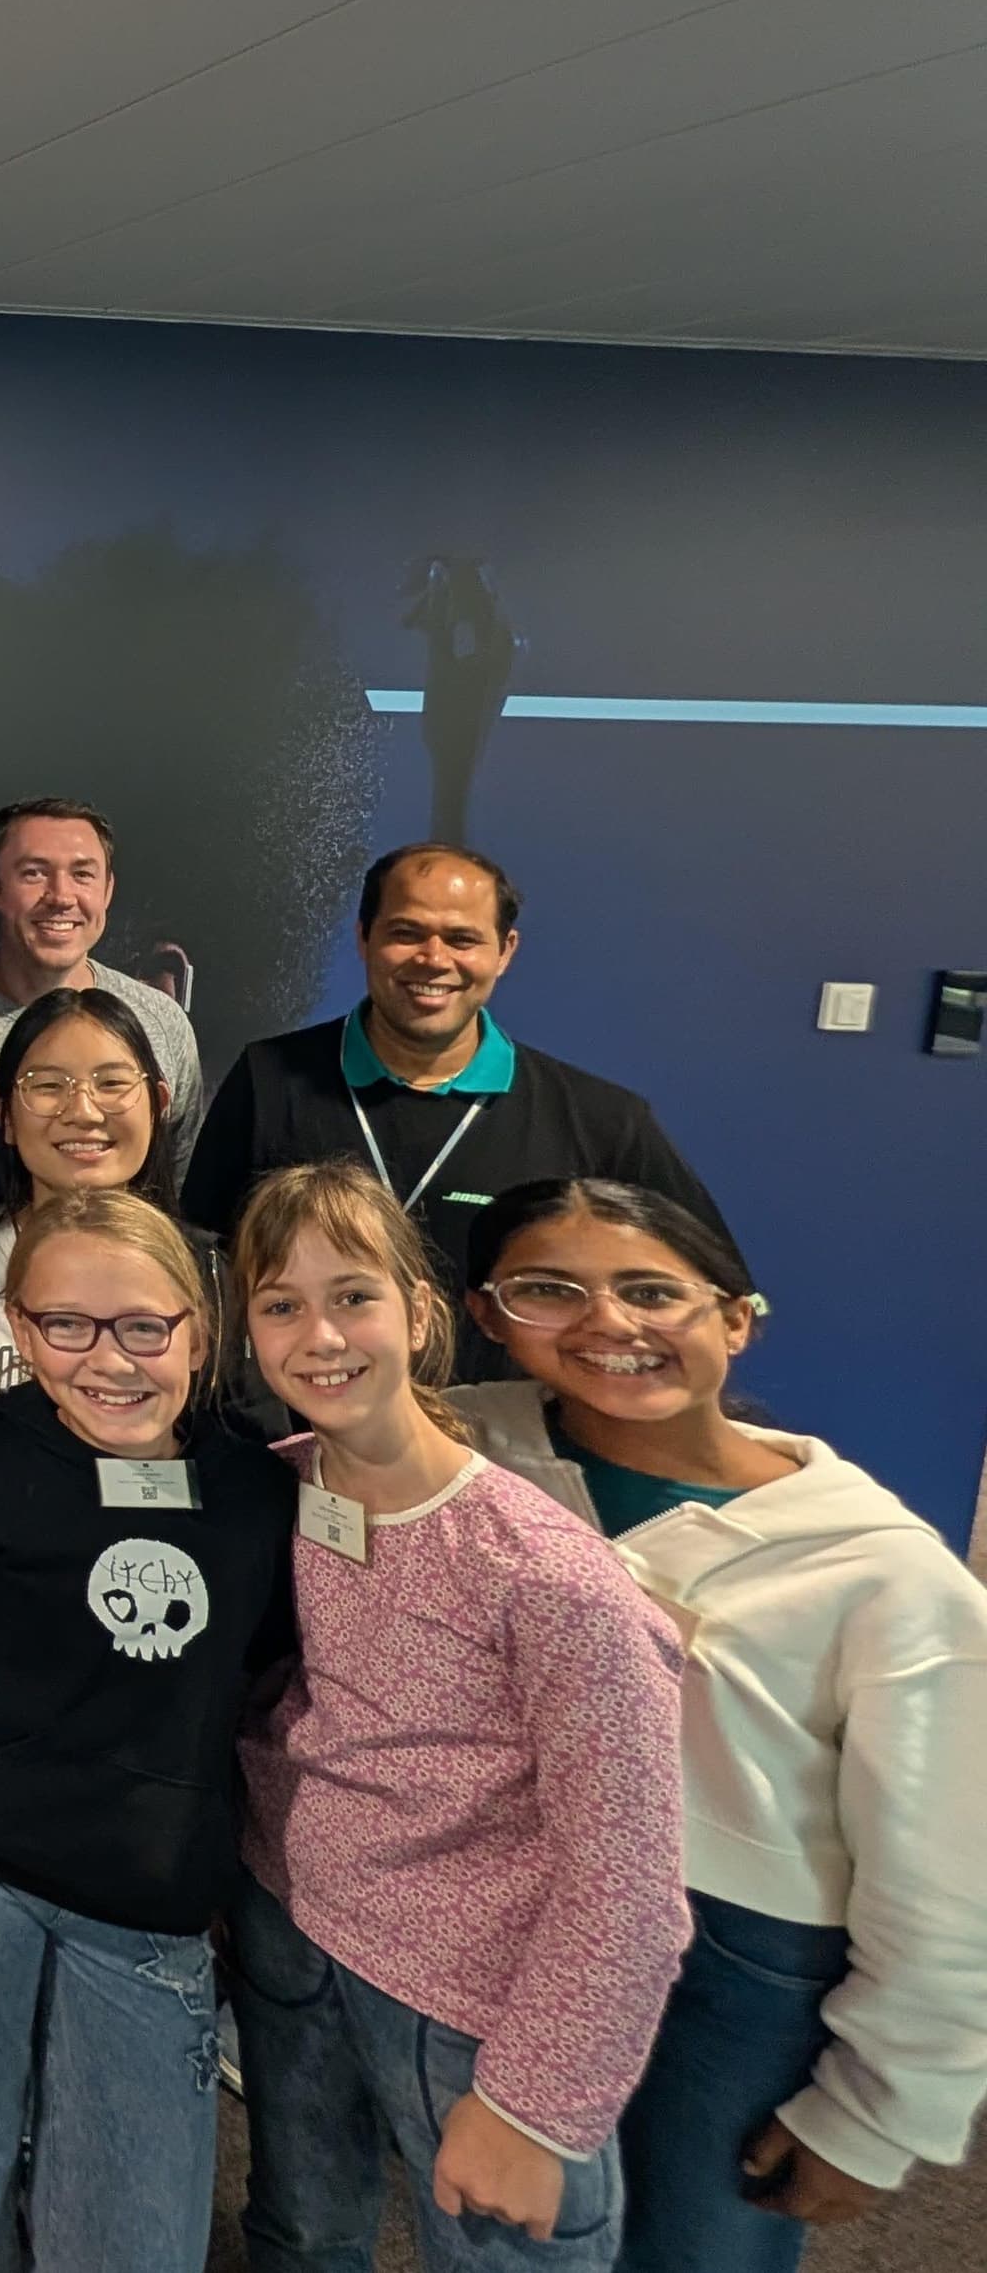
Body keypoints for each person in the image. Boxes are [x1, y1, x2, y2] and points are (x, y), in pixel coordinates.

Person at [453, 1181, 987, 2272]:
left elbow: (946, 1871)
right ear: (489, 1314)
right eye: (551, 1291)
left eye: (651, 1291)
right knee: (516, 2231)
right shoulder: (469, 1456)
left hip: (731, 1958)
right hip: (524, 1911)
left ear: (735, 1316)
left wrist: (881, 2107)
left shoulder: (882, 1570)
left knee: (691, 2242)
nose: (607, 1323)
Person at [228, 1161, 688, 2273]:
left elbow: (628, 1873)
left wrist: (540, 2106)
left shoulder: (546, 1573)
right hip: (293, 1932)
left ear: (421, 1311)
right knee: (300, 2228)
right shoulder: (280, 1488)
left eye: (353, 1294)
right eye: (280, 1302)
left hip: (465, 2002)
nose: (319, 1332)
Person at [0, 1191, 296, 2273]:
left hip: (149, 1902)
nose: (111, 1359)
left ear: (200, 1321)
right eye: (66, 1325)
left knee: (133, 2221)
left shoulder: (255, 1488)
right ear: (22, 1326)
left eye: (145, 1324)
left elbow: (261, 1673)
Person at [183, 843, 728, 1325]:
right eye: (406, 933)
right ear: (364, 938)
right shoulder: (268, 1078)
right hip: (301, 1419)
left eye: (462, 939)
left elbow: (714, 1288)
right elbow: (201, 1258)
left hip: (510, 1431)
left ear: (504, 951)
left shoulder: (601, 1120)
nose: (434, 959)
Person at [0, 984, 205, 1402]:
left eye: (113, 1083)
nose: (82, 1112)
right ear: (4, 1114)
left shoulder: (210, 1272)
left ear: (159, 1104)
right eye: (47, 1086)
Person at [0, 799, 202, 1116]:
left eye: (82, 874)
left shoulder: (162, 1021)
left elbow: (180, 1164)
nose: (61, 897)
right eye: (34, 873)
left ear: (107, 890)